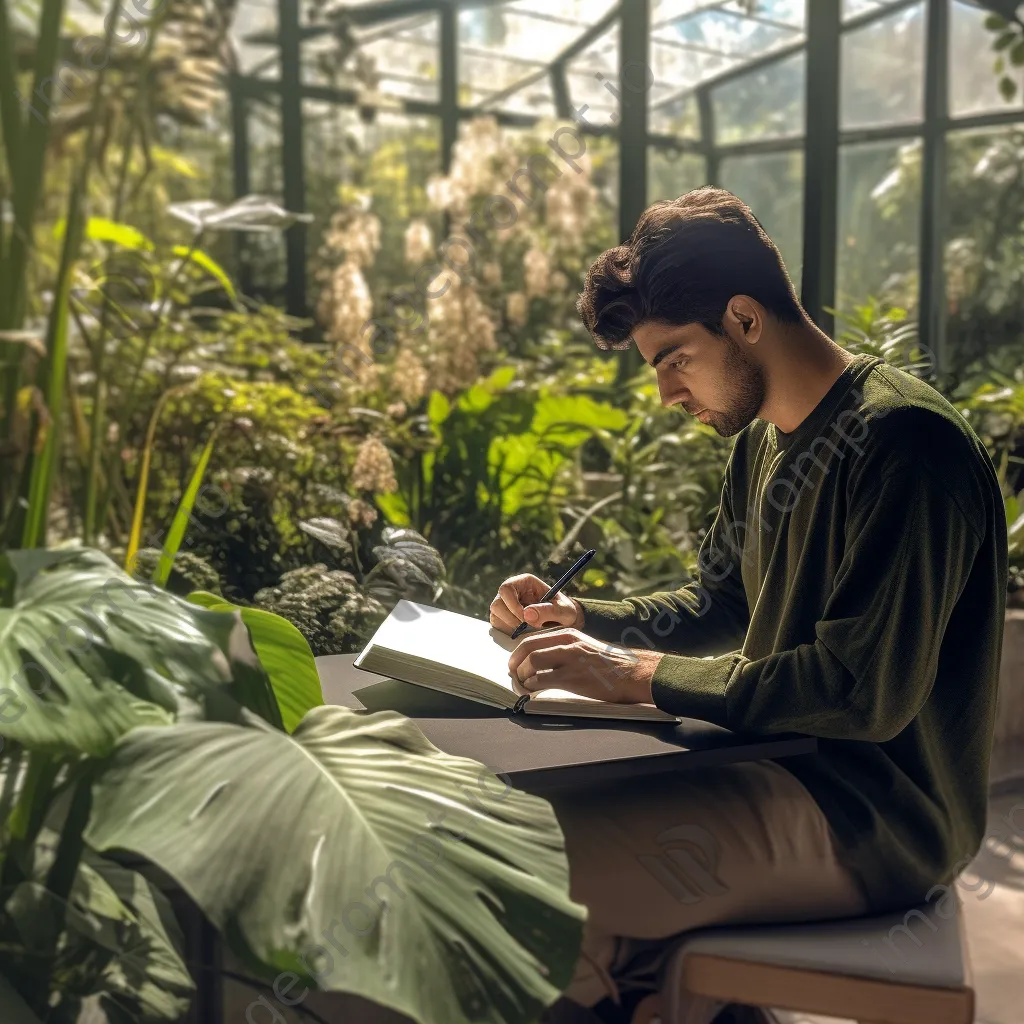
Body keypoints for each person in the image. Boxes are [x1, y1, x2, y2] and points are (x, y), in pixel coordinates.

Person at [488, 188, 1008, 1024]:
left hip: (871, 815)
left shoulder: (910, 447)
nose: (664, 393)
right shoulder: (765, 438)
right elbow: (720, 597)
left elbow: (858, 689)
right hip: (769, 768)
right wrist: (586, 621)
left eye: (671, 359)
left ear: (743, 318)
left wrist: (638, 675)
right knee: (519, 834)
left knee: (528, 888)